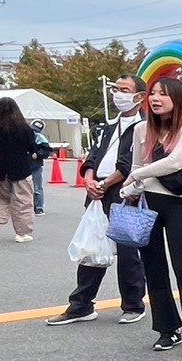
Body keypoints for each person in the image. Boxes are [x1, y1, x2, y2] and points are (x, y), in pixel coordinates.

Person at [46, 76, 149, 326]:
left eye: (124, 90)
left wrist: (104, 184)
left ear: (140, 96)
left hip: (123, 191)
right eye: (116, 90)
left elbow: (130, 163)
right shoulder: (109, 125)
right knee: (91, 248)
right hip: (98, 191)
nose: (118, 95)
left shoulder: (144, 127)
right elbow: (93, 155)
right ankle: (81, 304)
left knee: (127, 251)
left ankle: (133, 304)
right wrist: (89, 178)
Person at [121, 77, 182, 353]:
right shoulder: (141, 129)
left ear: (177, 99)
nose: (156, 99)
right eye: (153, 94)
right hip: (148, 202)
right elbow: (136, 162)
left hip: (180, 203)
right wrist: (134, 186)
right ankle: (167, 329)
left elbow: (175, 162)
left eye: (163, 94)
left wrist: (137, 175)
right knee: (154, 268)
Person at [0, 98, 39, 242]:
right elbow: (31, 147)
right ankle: (22, 233)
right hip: (20, 169)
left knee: (2, 199)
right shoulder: (23, 127)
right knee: (23, 201)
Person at [28, 121, 52, 216]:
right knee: (24, 187)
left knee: (37, 187)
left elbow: (47, 152)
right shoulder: (24, 137)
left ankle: (39, 208)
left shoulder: (41, 139)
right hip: (24, 166)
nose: (34, 132)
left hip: (36, 166)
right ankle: (28, 207)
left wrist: (38, 154)